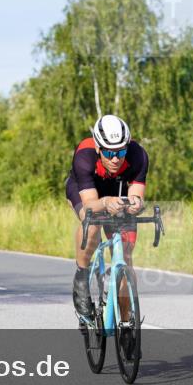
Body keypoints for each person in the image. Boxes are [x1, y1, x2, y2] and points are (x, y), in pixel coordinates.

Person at [65, 114, 148, 318]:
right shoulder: (84, 155)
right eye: (109, 152)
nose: (115, 159)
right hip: (87, 192)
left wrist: (136, 204)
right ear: (98, 148)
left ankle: (127, 321)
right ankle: (82, 275)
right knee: (91, 221)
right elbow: (91, 203)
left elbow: (136, 194)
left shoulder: (138, 155)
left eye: (120, 151)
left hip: (118, 191)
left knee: (126, 258)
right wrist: (105, 202)